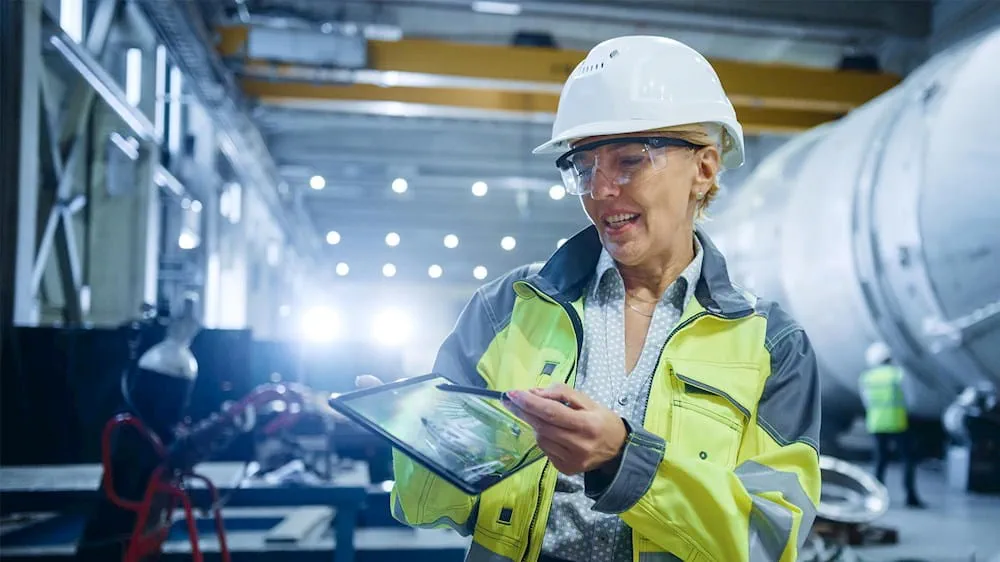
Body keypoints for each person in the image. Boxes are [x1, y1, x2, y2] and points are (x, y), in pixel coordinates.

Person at [360, 35, 822, 562]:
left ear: (705, 168)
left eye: (629, 160)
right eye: (584, 166)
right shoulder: (506, 309)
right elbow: (428, 510)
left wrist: (624, 460)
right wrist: (422, 445)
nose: (599, 191)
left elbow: (771, 538)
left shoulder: (771, 344)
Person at [859, 341, 925, 508]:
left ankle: (877, 495)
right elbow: (911, 399)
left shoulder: (867, 378)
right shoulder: (898, 374)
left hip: (876, 423)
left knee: (880, 461)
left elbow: (866, 402)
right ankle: (911, 496)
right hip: (897, 422)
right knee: (907, 459)